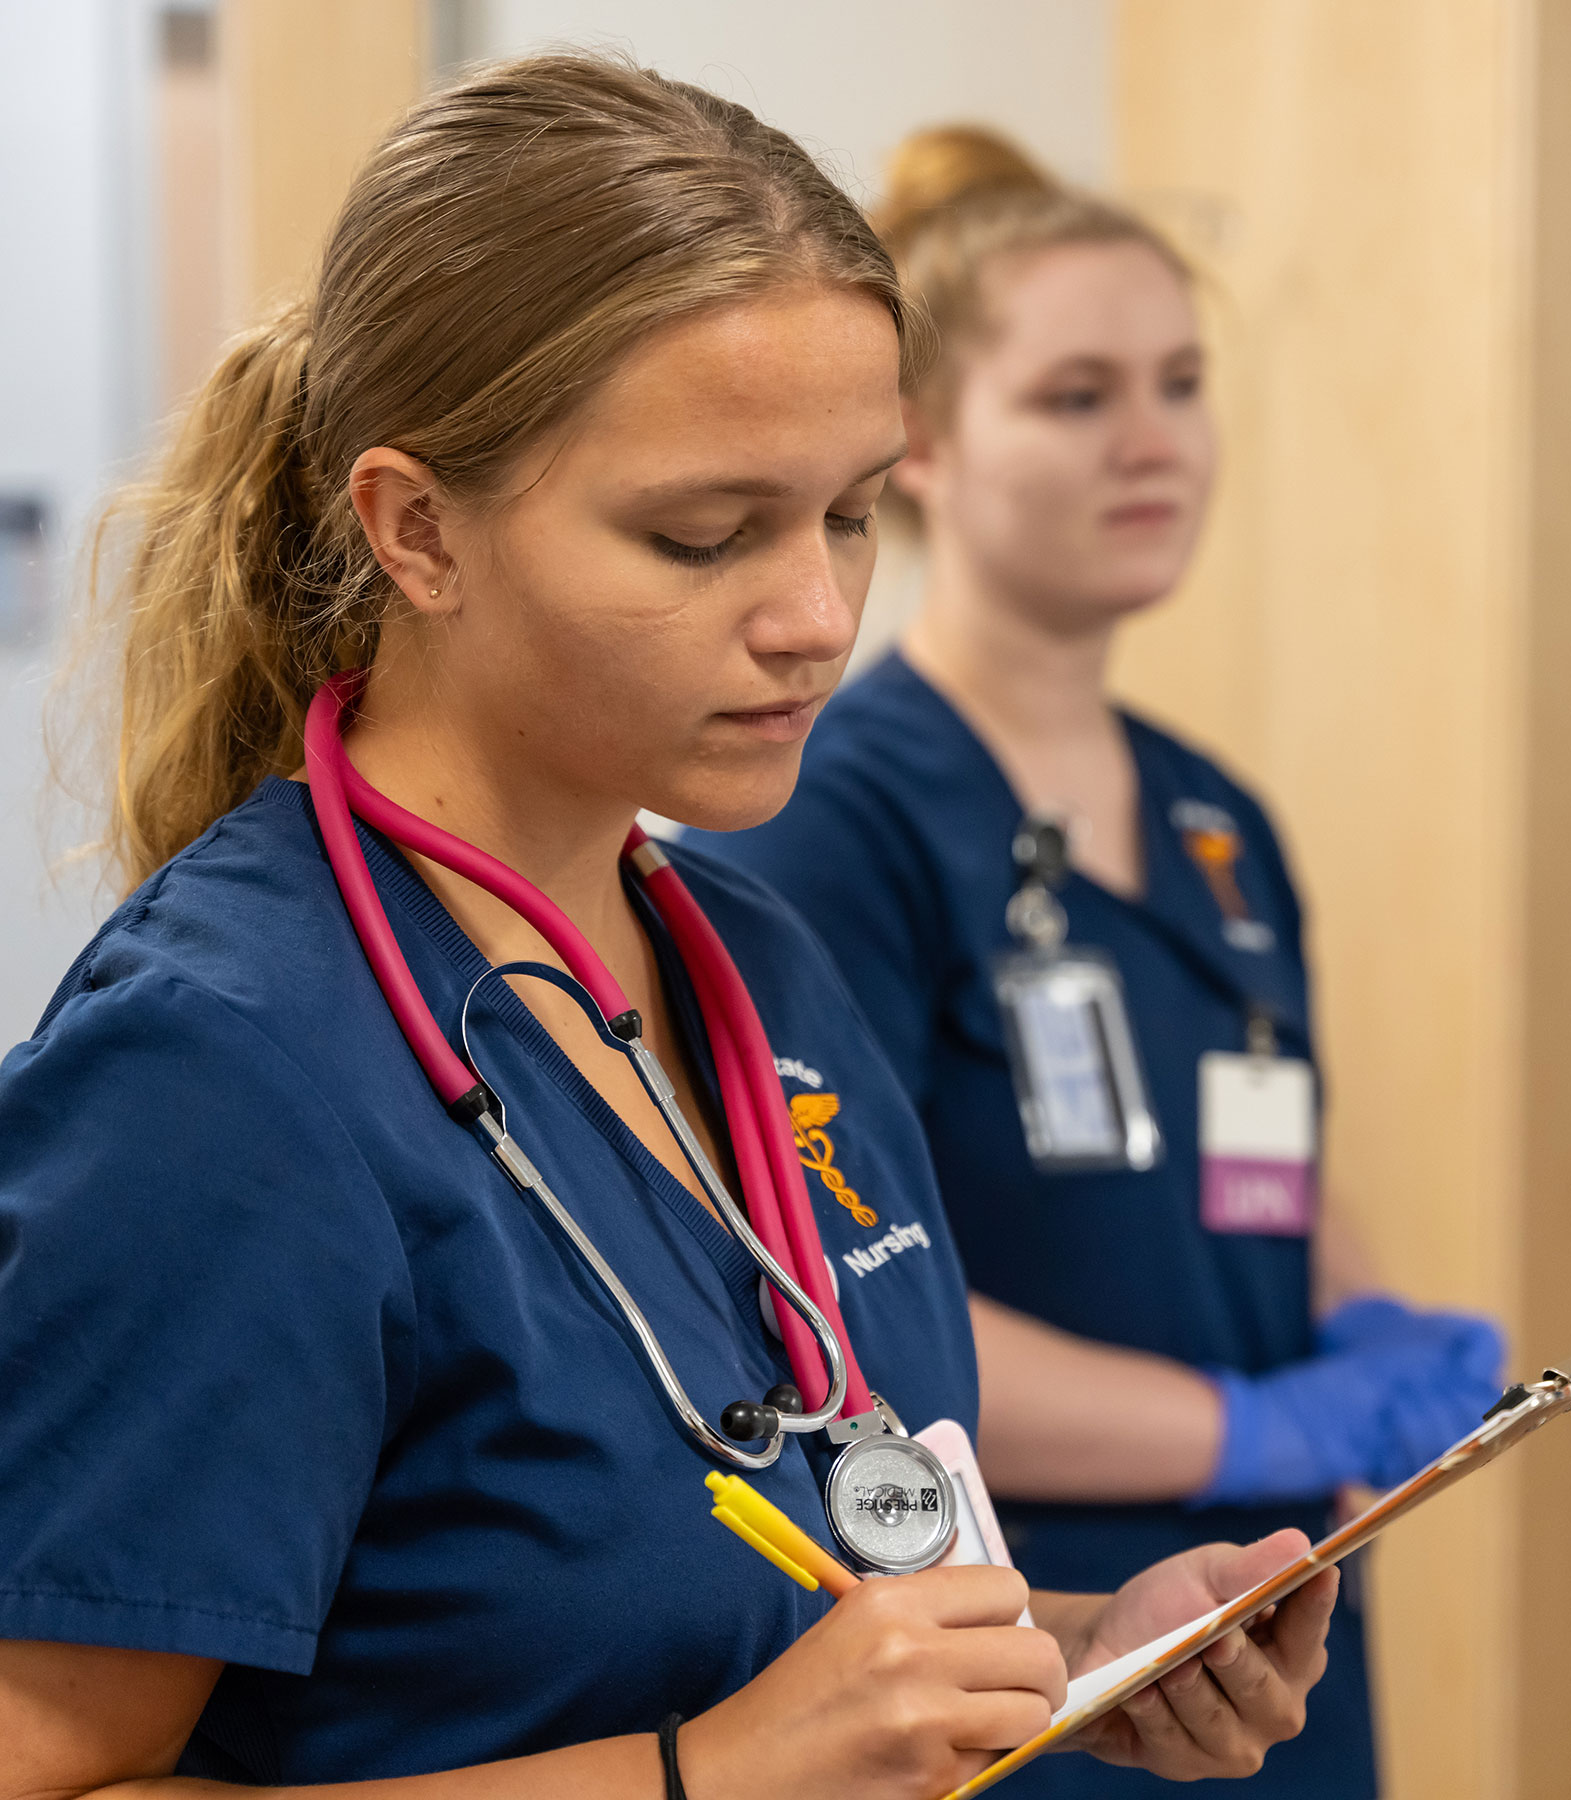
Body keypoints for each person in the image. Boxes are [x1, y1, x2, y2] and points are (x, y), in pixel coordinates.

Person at [0, 57, 1339, 1799]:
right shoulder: (220, 1070)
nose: (815, 616)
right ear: (415, 530)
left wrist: (1089, 1649)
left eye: (852, 515)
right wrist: (697, 1779)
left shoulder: (744, 958)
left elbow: (791, 1580)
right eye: (705, 536)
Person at [696, 128, 1503, 1797]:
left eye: (1183, 383)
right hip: (1012, 1634)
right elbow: (821, 1311)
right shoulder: (832, 817)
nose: (1154, 444)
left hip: (1262, 1613)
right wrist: (1249, 1423)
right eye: (1077, 397)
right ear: (916, 446)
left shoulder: (1217, 818)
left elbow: (1265, 1151)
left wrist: (1361, 1338)